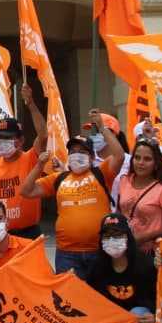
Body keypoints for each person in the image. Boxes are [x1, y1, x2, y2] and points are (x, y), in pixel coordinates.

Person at [22, 113, 124, 276]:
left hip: (98, 250)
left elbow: (119, 155)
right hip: (67, 254)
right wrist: (39, 165)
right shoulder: (59, 178)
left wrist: (102, 128)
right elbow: (26, 191)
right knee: (69, 292)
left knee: (98, 291)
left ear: (91, 157)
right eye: (73, 151)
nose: (77, 154)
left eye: (82, 151)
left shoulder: (102, 173)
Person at [0, 110, 46, 239]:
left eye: (8, 138)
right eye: (0, 138)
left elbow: (43, 135)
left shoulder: (31, 158)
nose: (3, 142)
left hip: (29, 233)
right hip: (0, 234)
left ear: (21, 140)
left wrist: (31, 105)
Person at [112, 138, 162, 252]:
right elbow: (119, 212)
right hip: (125, 249)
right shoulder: (124, 181)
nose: (140, 163)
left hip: (151, 251)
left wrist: (144, 237)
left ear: (156, 163)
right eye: (137, 157)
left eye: (147, 159)